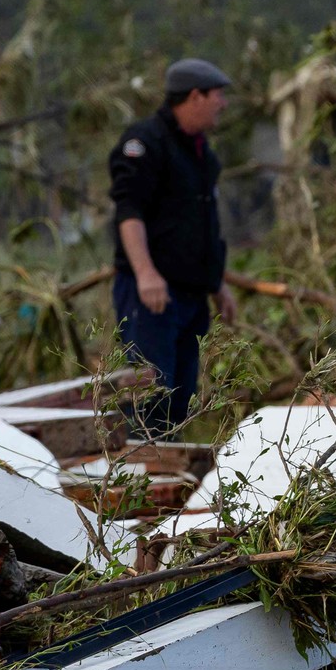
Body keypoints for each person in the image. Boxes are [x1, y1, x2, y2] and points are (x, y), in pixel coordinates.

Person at [109, 58, 238, 437]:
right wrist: (146, 273)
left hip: (190, 295)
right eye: (218, 95)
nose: (223, 104)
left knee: (180, 400)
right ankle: (142, 479)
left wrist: (216, 283)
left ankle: (170, 484)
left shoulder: (201, 153)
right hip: (151, 295)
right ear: (194, 97)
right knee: (151, 394)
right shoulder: (145, 143)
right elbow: (128, 211)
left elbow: (202, 224)